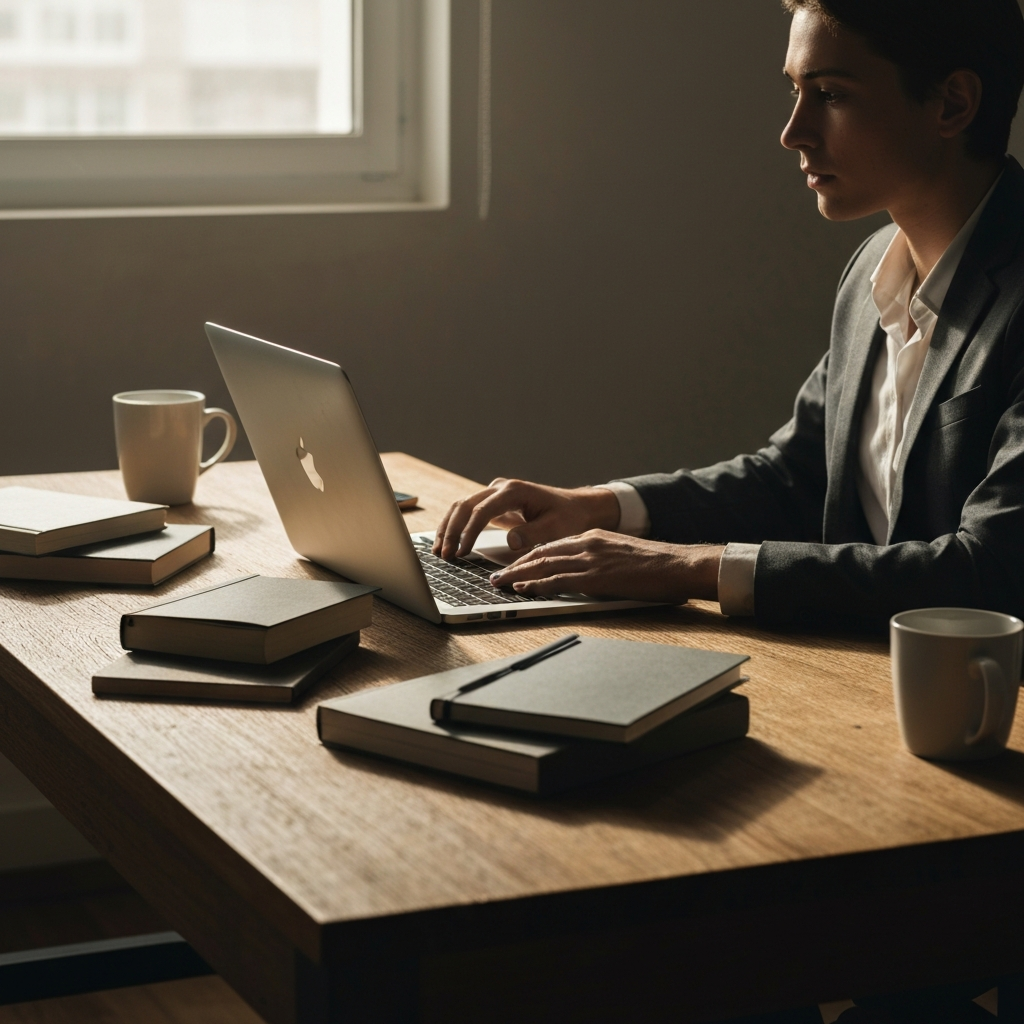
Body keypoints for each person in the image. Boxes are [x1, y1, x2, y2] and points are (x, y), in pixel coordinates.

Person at [434, 0, 1024, 631]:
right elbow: (795, 478)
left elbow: (988, 570)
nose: (793, 131)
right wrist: (603, 507)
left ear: (953, 104)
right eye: (796, 90)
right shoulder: (873, 268)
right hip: (863, 678)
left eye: (830, 94)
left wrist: (687, 568)